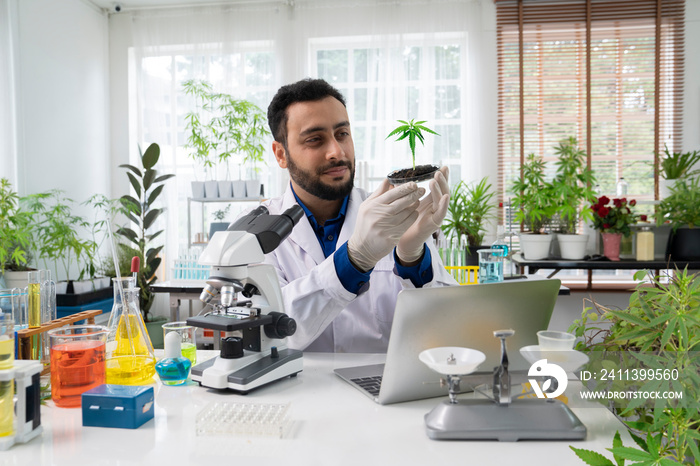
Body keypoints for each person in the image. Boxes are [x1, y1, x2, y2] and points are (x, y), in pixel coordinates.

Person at [260, 78, 457, 352]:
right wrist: (354, 260)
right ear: (281, 154)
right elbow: (269, 331)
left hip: (383, 388)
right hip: (301, 391)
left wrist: (412, 259)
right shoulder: (256, 233)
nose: (337, 152)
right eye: (315, 140)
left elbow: (446, 326)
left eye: (342, 134)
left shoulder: (394, 214)